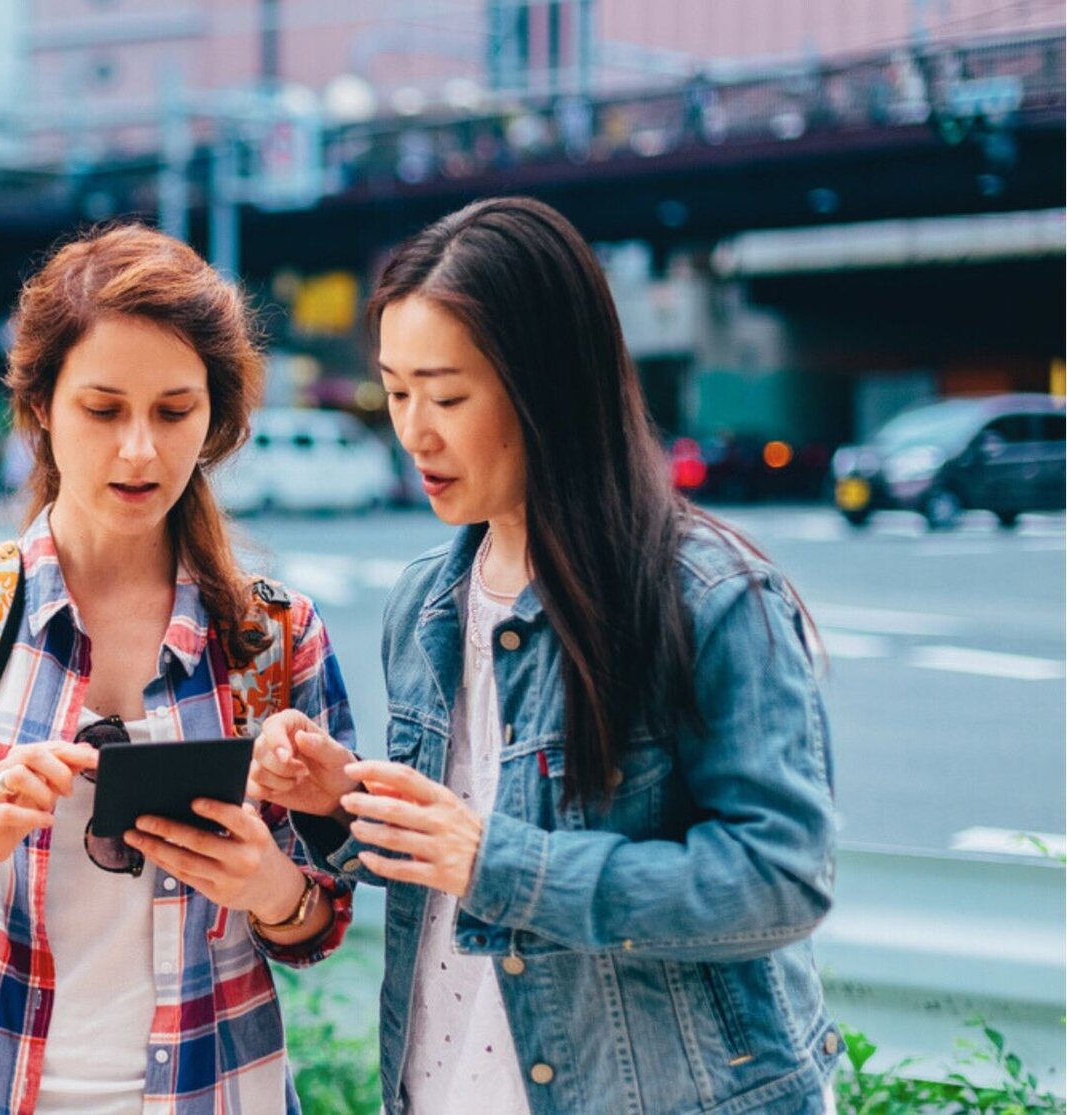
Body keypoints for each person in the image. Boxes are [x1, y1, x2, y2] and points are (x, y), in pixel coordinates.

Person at [250, 197, 841, 1115]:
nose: (414, 431)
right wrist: (343, 800)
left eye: (447, 396)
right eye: (396, 392)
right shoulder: (426, 600)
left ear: (547, 387)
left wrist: (501, 862)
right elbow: (455, 844)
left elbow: (780, 880)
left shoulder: (708, 595)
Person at [0, 224, 358, 1114]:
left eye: (174, 411)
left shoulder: (274, 636)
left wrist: (273, 886)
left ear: (215, 417)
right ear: (42, 404)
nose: (140, 450)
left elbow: (321, 919)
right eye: (104, 410)